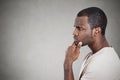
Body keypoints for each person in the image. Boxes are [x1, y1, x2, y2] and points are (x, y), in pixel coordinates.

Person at [64, 7, 120, 80]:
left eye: (79, 28)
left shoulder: (101, 64)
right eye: (75, 27)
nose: (74, 33)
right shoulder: (95, 55)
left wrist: (67, 63)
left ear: (96, 31)